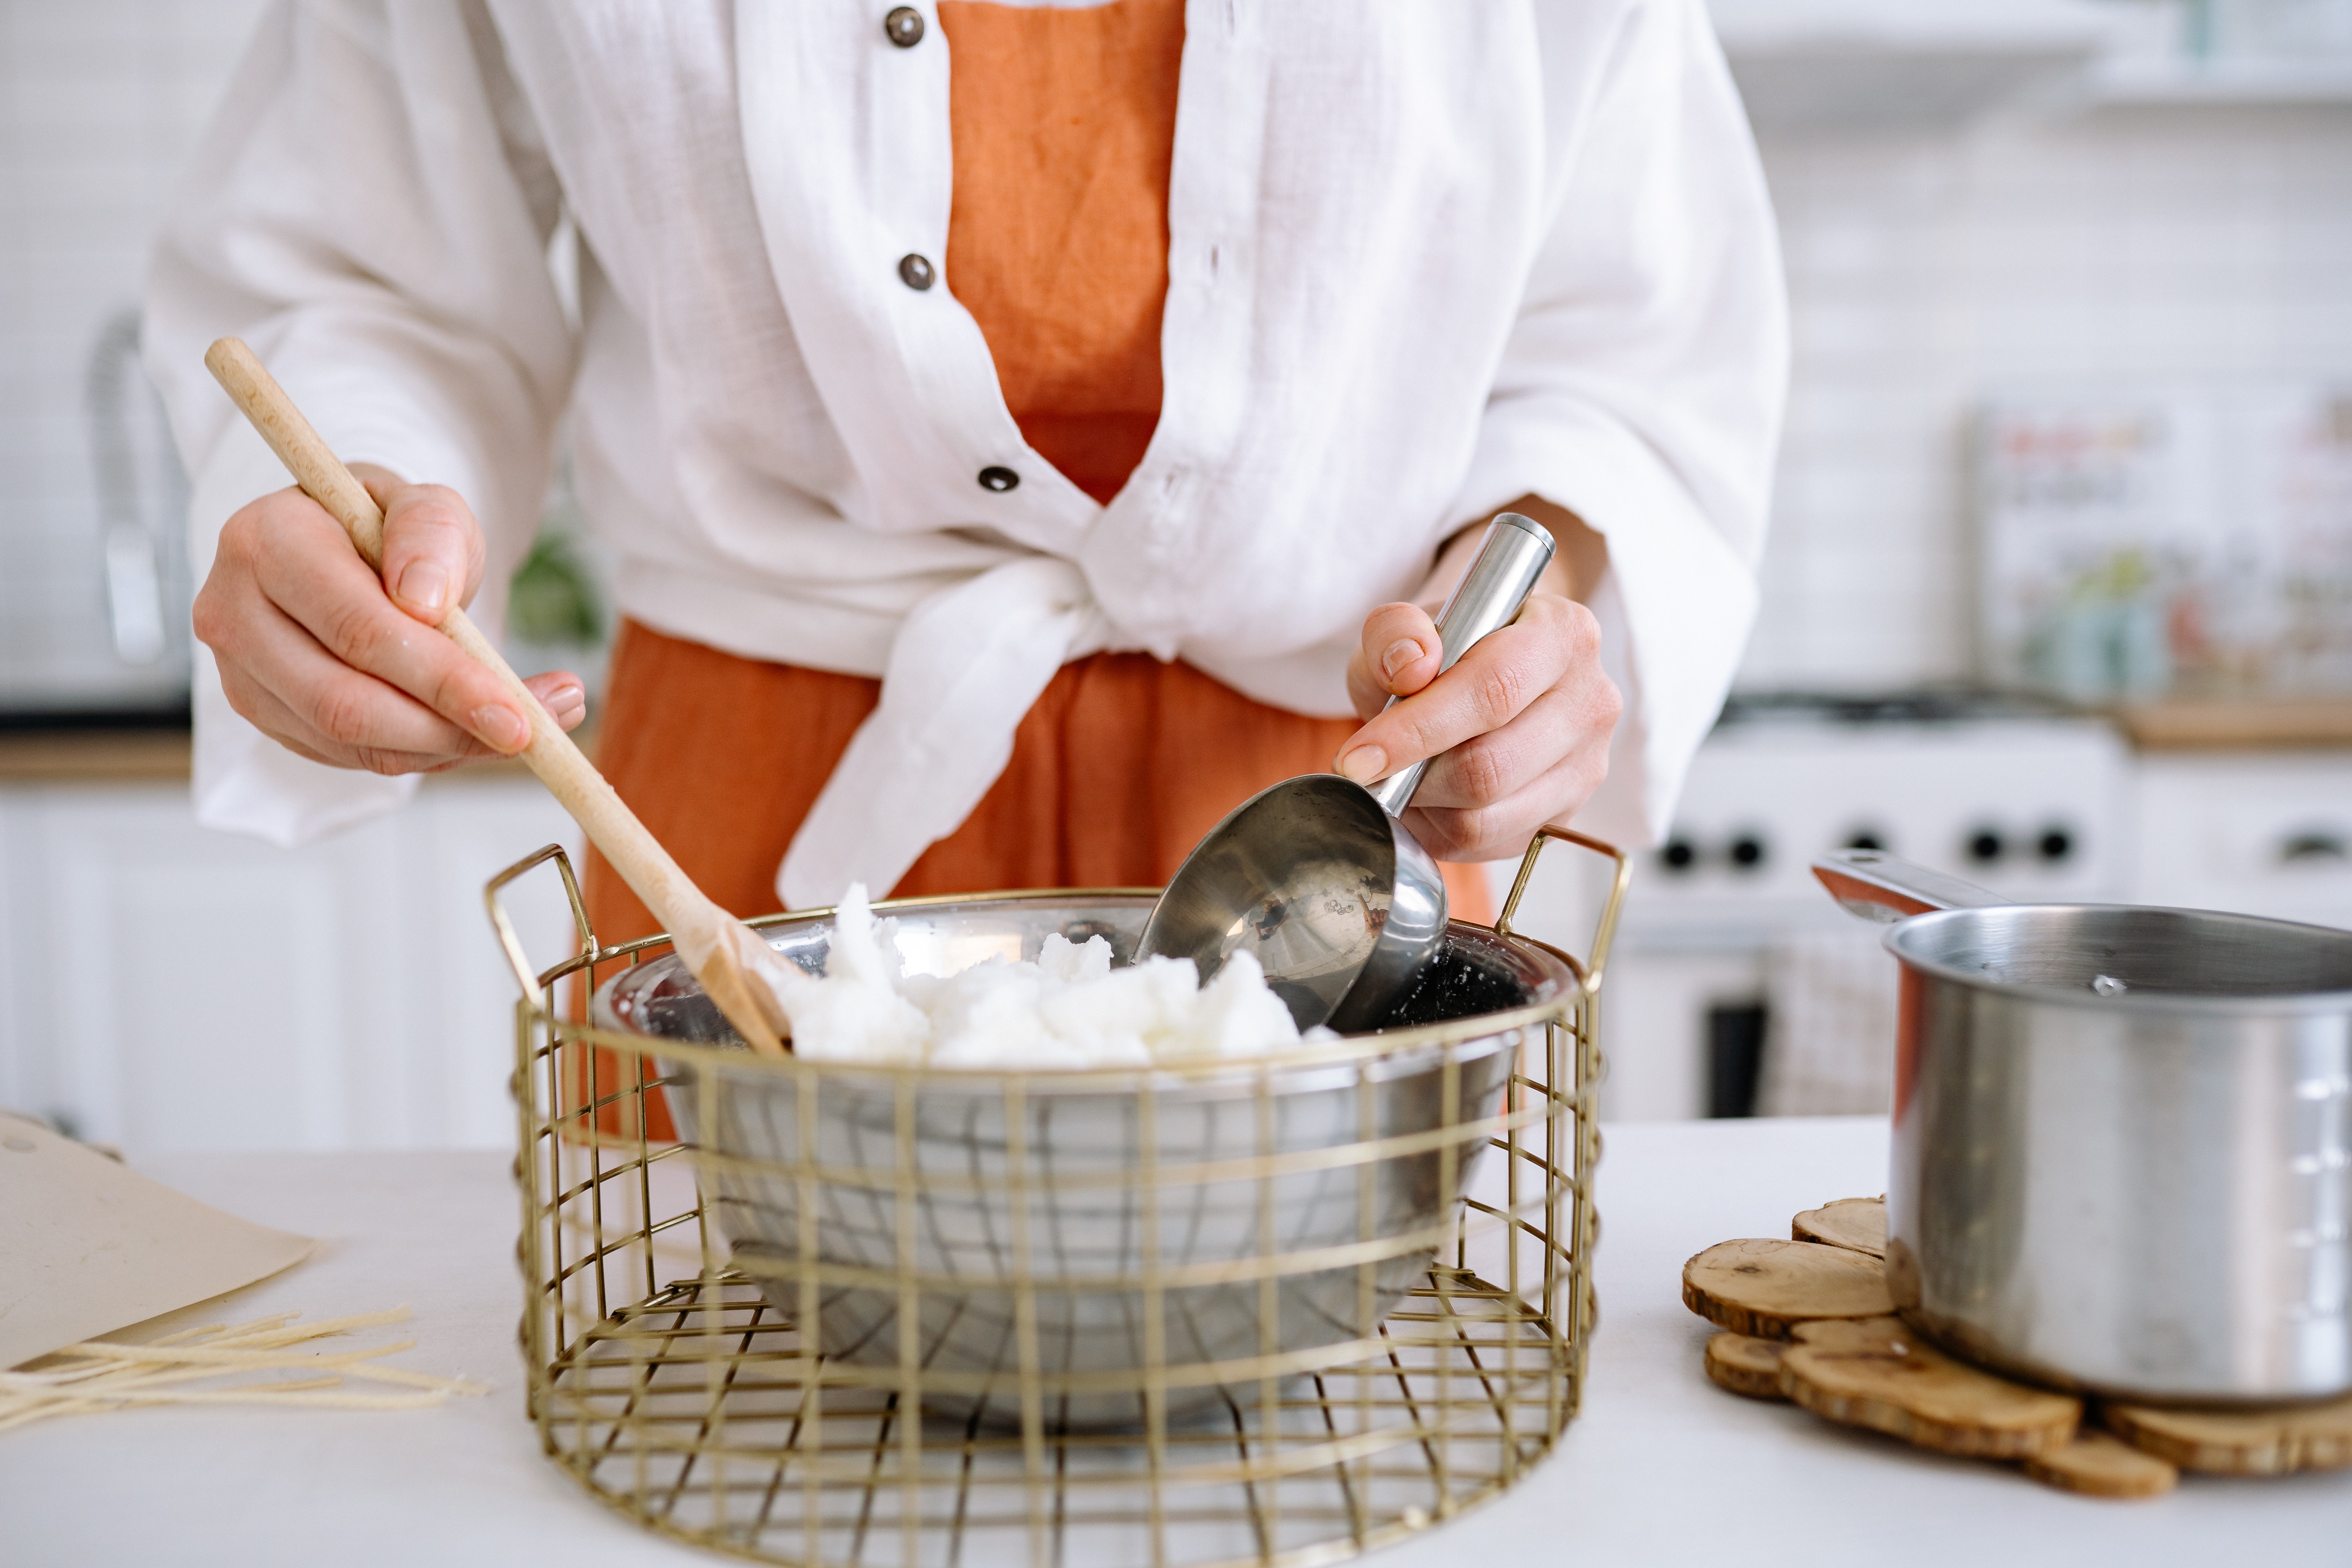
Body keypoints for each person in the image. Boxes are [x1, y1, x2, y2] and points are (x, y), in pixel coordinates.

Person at [147, 0, 1786, 971]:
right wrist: (357, 507)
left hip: (1344, 826)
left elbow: (1619, 348)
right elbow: (365, 277)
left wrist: (1530, 594)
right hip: (755, 839)